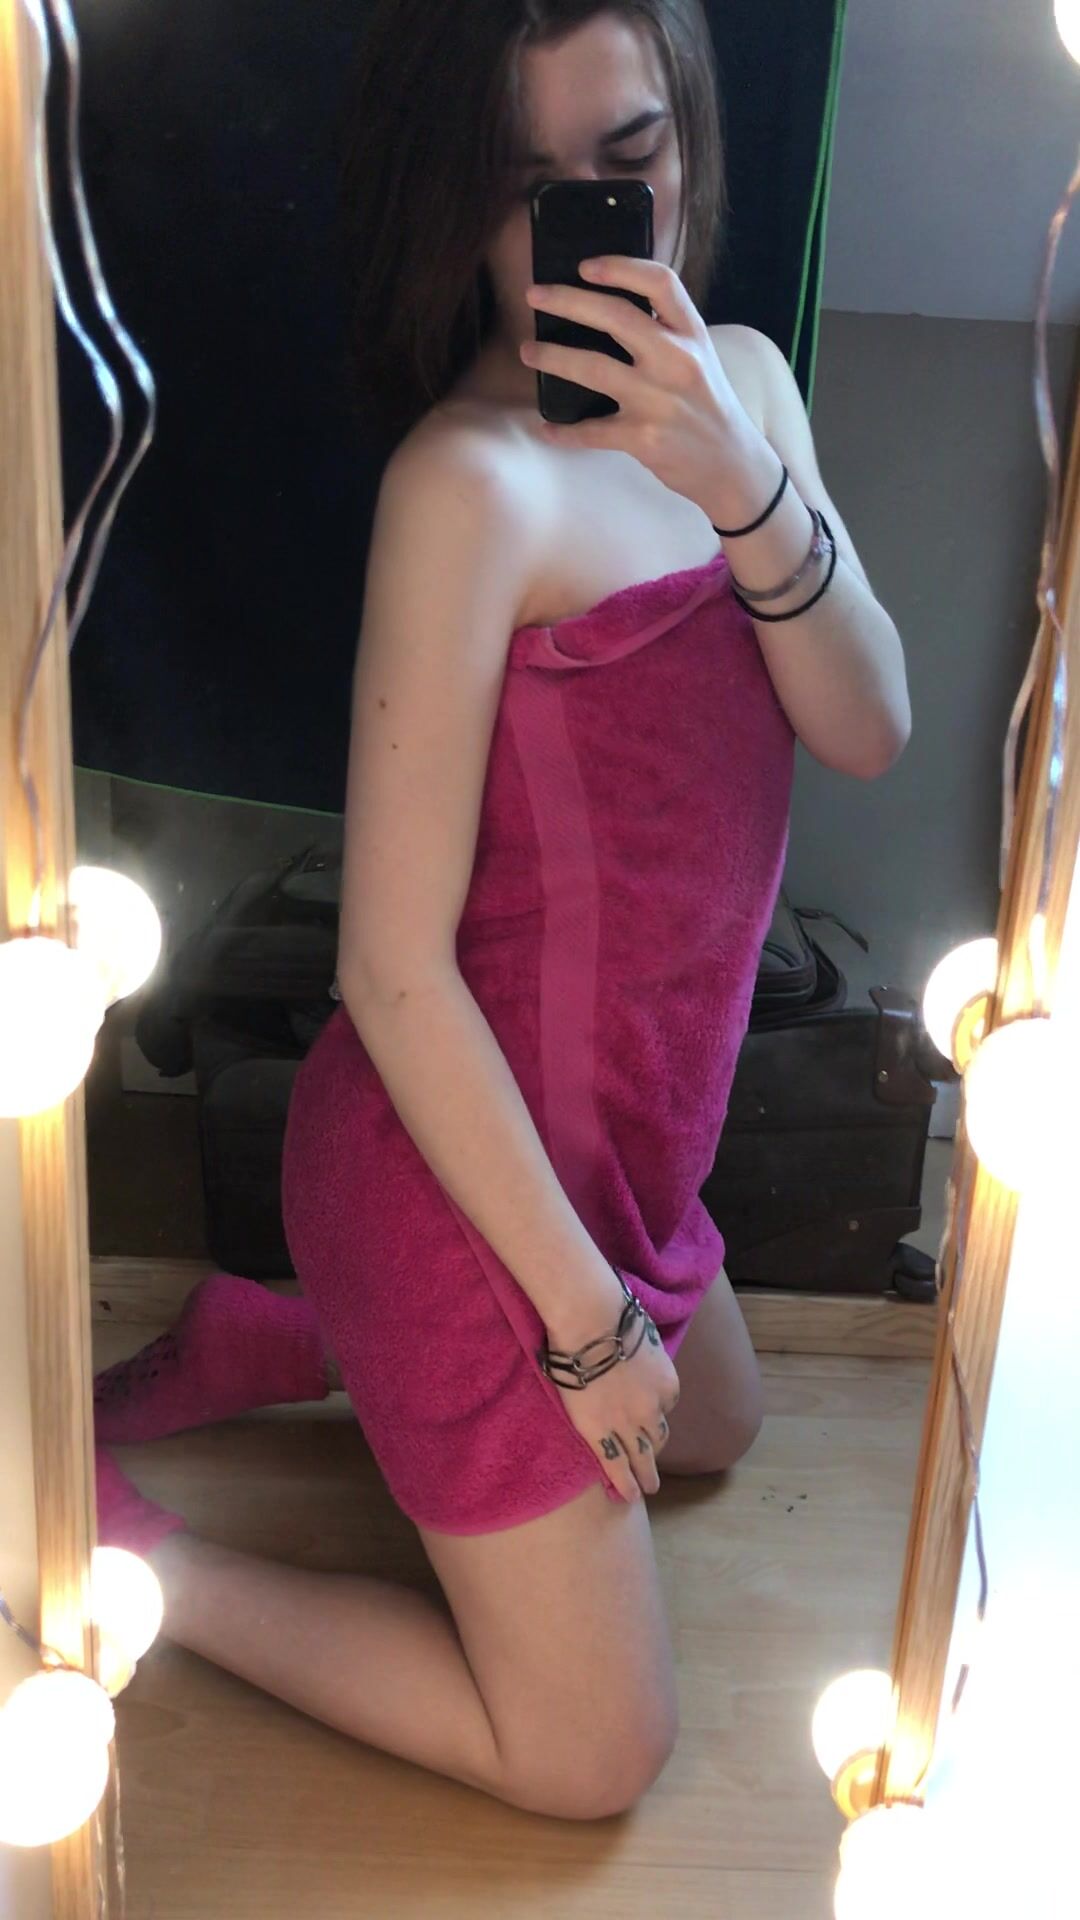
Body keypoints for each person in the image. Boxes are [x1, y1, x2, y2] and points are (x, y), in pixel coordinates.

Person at [94, 0, 910, 1821]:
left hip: (623, 1154)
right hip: (452, 1168)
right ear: (446, 202)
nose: (581, 232)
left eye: (626, 163)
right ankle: (127, 1552)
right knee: (592, 1756)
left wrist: (738, 480)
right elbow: (390, 974)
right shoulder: (465, 490)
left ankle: (289, 1339)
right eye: (520, 185)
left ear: (688, 136)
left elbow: (871, 729)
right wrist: (585, 1330)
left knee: (722, 1431)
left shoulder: (752, 389)